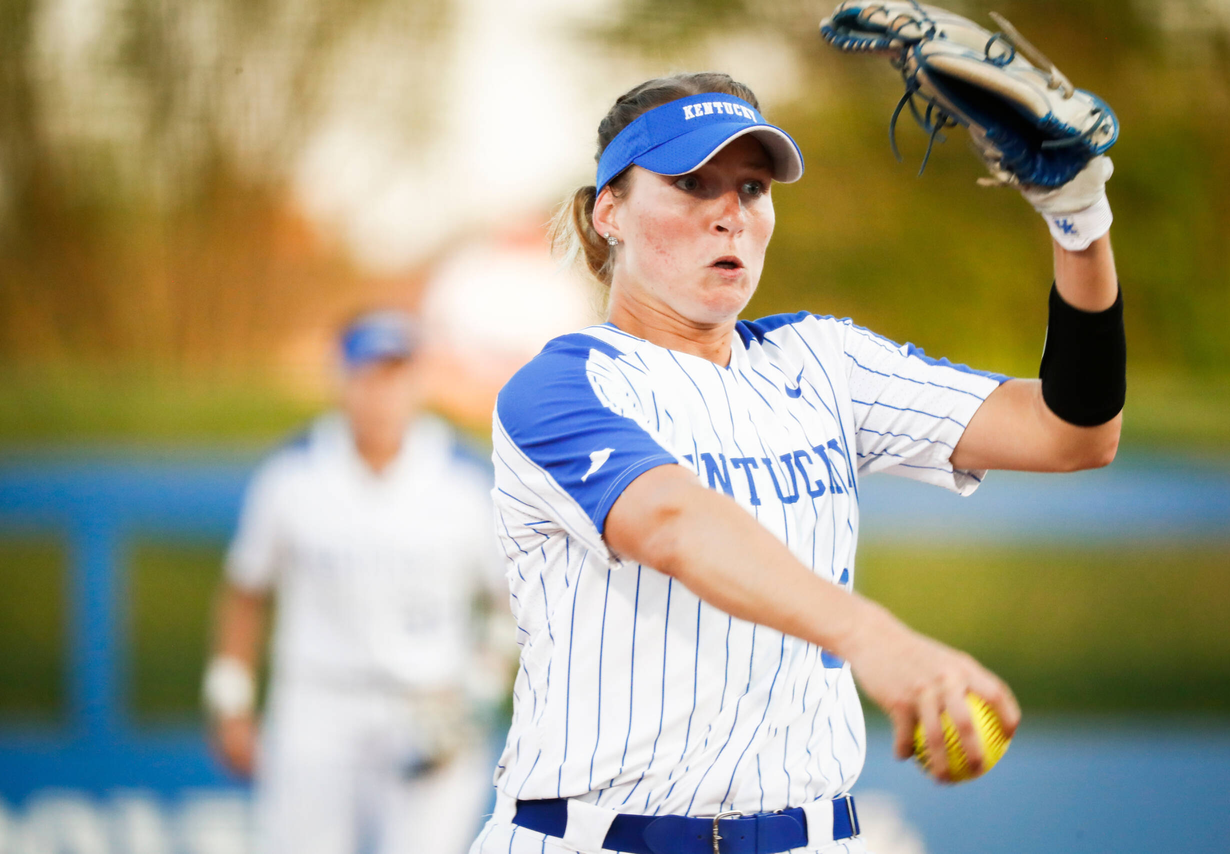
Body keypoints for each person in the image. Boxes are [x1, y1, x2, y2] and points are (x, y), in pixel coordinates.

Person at [473, 72, 1124, 854]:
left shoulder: (821, 360)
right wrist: (875, 639)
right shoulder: (559, 388)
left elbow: (1073, 432)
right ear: (609, 210)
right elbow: (677, 524)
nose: (729, 215)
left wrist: (1079, 223)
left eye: (752, 188)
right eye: (689, 184)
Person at [203, 309, 506, 854]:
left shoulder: (464, 478)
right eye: (367, 375)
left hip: (429, 704)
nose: (381, 393)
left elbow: (511, 605)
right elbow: (245, 589)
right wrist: (231, 700)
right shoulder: (292, 473)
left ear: (416, 380)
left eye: (395, 375)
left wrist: (477, 699)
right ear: (341, 379)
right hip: (317, 705)